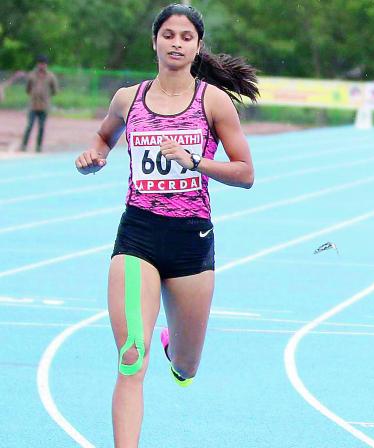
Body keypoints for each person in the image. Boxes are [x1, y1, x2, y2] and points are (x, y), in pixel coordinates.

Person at [74, 4, 257, 446]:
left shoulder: (211, 101)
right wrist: (94, 156)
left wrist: (196, 160)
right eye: (169, 34)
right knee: (132, 356)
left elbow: (246, 173)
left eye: (186, 37)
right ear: (155, 41)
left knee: (187, 366)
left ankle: (175, 349)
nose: (177, 43)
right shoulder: (128, 98)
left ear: (197, 47)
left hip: (191, 241)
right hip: (138, 234)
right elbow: (104, 136)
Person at [21, 55, 59, 152]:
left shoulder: (50, 76)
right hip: (33, 106)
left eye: (43, 64)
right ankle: (24, 145)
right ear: (37, 64)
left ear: (46, 65)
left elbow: (55, 90)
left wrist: (46, 96)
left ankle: (38, 147)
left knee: (41, 127)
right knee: (29, 125)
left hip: (44, 106)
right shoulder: (32, 75)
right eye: (40, 63)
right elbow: (28, 89)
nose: (42, 66)